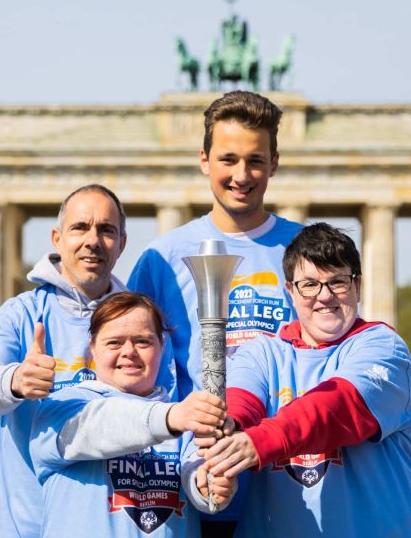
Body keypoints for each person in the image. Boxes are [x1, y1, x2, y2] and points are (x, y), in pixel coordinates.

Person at [127, 90, 303, 537]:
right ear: (204, 159)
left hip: (286, 484)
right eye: (228, 159)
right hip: (192, 481)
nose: (242, 175)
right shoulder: (161, 258)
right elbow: (130, 374)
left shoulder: (306, 250)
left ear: (274, 162)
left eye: (255, 160)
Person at [201, 223, 411, 537]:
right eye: (309, 284)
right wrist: (226, 433)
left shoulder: (383, 346)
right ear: (290, 291)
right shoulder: (260, 352)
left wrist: (258, 442)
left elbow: (340, 406)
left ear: (358, 286)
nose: (324, 296)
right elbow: (241, 404)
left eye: (337, 282)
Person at [0, 184, 138, 538]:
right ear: (57, 238)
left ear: (121, 244)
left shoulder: (139, 323)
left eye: (106, 230)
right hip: (33, 526)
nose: (93, 240)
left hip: (113, 525)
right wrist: (16, 380)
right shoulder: (21, 313)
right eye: (80, 227)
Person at [30, 292, 236, 537]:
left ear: (161, 346)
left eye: (143, 341)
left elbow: (197, 476)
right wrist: (171, 418)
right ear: (92, 348)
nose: (129, 351)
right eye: (114, 343)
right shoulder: (62, 405)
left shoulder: (184, 420)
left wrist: (210, 487)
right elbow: (99, 425)